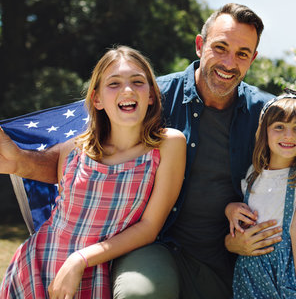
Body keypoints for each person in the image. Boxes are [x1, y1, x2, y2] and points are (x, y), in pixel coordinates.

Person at [0, 3, 280, 299]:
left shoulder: (265, 114)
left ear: (253, 59)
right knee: (139, 294)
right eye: (220, 48)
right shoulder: (148, 96)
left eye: (242, 54)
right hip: (152, 244)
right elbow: (86, 154)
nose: (228, 62)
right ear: (200, 45)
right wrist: (19, 162)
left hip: (220, 249)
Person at [0, 46, 186, 298]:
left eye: (138, 82)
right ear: (97, 99)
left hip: (92, 267)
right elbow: (38, 174)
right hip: (37, 265)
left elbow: (149, 227)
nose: (128, 90)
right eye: (114, 83)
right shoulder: (76, 148)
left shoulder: (168, 144)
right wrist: (15, 160)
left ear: (152, 95)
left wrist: (80, 259)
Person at [225, 90, 296, 299]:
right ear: (264, 132)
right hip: (248, 268)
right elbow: (243, 210)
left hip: (284, 268)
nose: (288, 135)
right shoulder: (253, 173)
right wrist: (230, 210)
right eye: (279, 127)